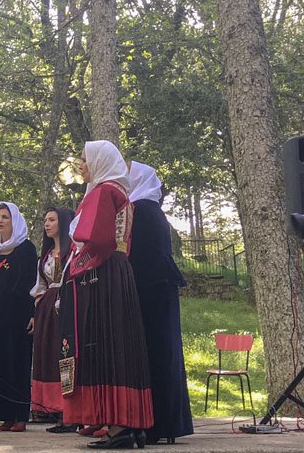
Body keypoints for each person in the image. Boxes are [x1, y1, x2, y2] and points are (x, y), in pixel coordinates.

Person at [60, 140, 153, 449]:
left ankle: (117, 426)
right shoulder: (120, 192)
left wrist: (75, 266)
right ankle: (127, 422)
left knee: (103, 344)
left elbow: (94, 239)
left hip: (100, 273)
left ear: (100, 162)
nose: (82, 165)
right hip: (117, 271)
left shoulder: (102, 192)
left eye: (86, 160)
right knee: (120, 345)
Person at [127, 161, 193, 445]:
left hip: (151, 291)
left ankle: (158, 423)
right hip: (158, 290)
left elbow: (138, 256)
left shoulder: (141, 210)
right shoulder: (151, 209)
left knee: (156, 355)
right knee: (165, 355)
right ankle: (167, 423)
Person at [0, 202, 37, 433]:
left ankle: (21, 415)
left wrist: (33, 313)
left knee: (19, 363)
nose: (1, 221)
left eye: (5, 217)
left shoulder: (26, 248)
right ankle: (5, 415)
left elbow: (33, 284)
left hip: (20, 314)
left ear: (15, 220)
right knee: (0, 364)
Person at [29, 207, 77, 434]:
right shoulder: (46, 256)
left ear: (63, 223)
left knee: (65, 356)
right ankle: (55, 408)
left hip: (66, 306)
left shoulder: (72, 253)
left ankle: (70, 411)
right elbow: (40, 286)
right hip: (47, 309)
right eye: (45, 220)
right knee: (48, 358)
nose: (47, 224)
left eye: (52, 220)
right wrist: (37, 311)